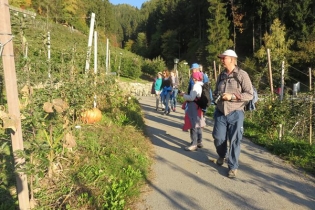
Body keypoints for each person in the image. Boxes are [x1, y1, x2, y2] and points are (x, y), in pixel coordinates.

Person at [212, 49, 253, 178]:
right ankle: (221, 155)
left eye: (224, 58)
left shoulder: (242, 75)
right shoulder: (221, 75)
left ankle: (233, 167)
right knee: (218, 137)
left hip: (236, 112)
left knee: (235, 140)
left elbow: (249, 94)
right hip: (220, 112)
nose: (222, 60)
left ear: (232, 59)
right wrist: (216, 96)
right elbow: (215, 91)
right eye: (221, 58)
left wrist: (232, 97)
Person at [179, 71, 206, 151]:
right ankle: (199, 141)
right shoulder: (201, 85)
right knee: (198, 124)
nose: (192, 79)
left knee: (193, 125)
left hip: (193, 107)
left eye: (192, 77)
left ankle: (194, 144)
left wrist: (183, 95)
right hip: (198, 106)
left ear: (194, 78)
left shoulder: (196, 86)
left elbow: (191, 98)